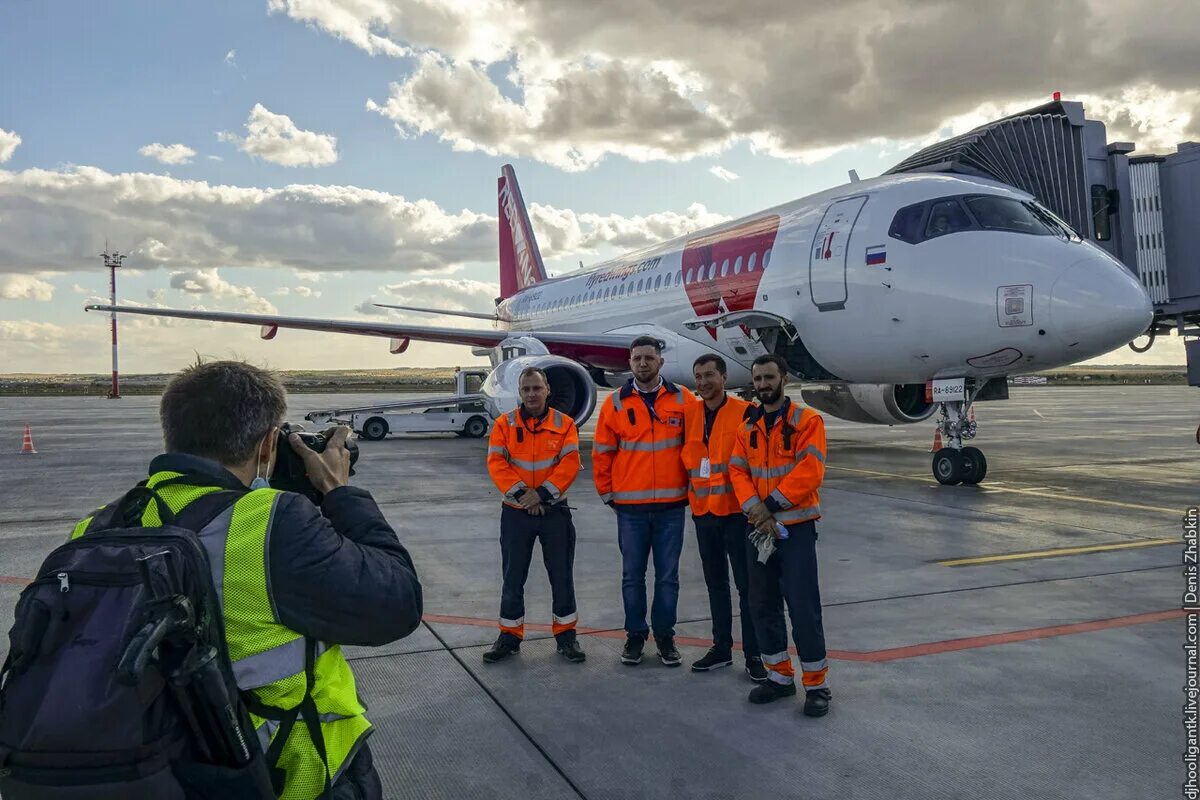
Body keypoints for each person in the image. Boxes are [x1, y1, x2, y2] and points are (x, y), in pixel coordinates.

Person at [70, 360, 423, 799]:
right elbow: (398, 603)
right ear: (268, 444)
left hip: (150, 772)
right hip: (281, 778)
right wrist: (339, 491)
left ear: (172, 433)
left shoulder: (95, 528)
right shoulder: (271, 521)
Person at [728, 354, 832, 717]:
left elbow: (810, 470)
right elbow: (737, 471)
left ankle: (817, 685)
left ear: (783, 379)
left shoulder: (807, 420)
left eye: (769, 377)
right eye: (757, 379)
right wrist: (756, 510)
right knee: (762, 604)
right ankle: (779, 676)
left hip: (796, 529)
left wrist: (769, 504)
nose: (762, 384)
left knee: (803, 608)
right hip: (758, 529)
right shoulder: (748, 426)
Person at [593, 335, 699, 666]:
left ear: (660, 362)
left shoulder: (683, 399)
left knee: (668, 577)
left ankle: (665, 637)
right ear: (630, 363)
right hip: (631, 510)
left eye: (649, 358)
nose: (643, 363)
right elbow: (602, 453)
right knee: (632, 577)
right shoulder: (614, 403)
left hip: (670, 508)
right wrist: (608, 492)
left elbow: (696, 448)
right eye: (637, 358)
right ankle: (635, 635)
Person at [483, 367, 585, 664]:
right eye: (526, 389)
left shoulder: (564, 424)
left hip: (554, 512)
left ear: (547, 390)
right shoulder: (504, 424)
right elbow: (496, 463)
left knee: (562, 576)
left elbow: (569, 463)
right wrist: (523, 496)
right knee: (513, 577)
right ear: (520, 392)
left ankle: (567, 637)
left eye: (536, 388)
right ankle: (509, 637)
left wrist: (540, 495)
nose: (531, 394)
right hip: (516, 513)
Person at [681, 354, 767, 681]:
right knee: (716, 585)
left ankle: (754, 654)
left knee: (748, 588)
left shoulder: (746, 413)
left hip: (738, 515)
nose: (703, 383)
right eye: (698, 377)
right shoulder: (688, 414)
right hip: (704, 515)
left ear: (724, 378)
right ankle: (721, 647)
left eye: (709, 376)